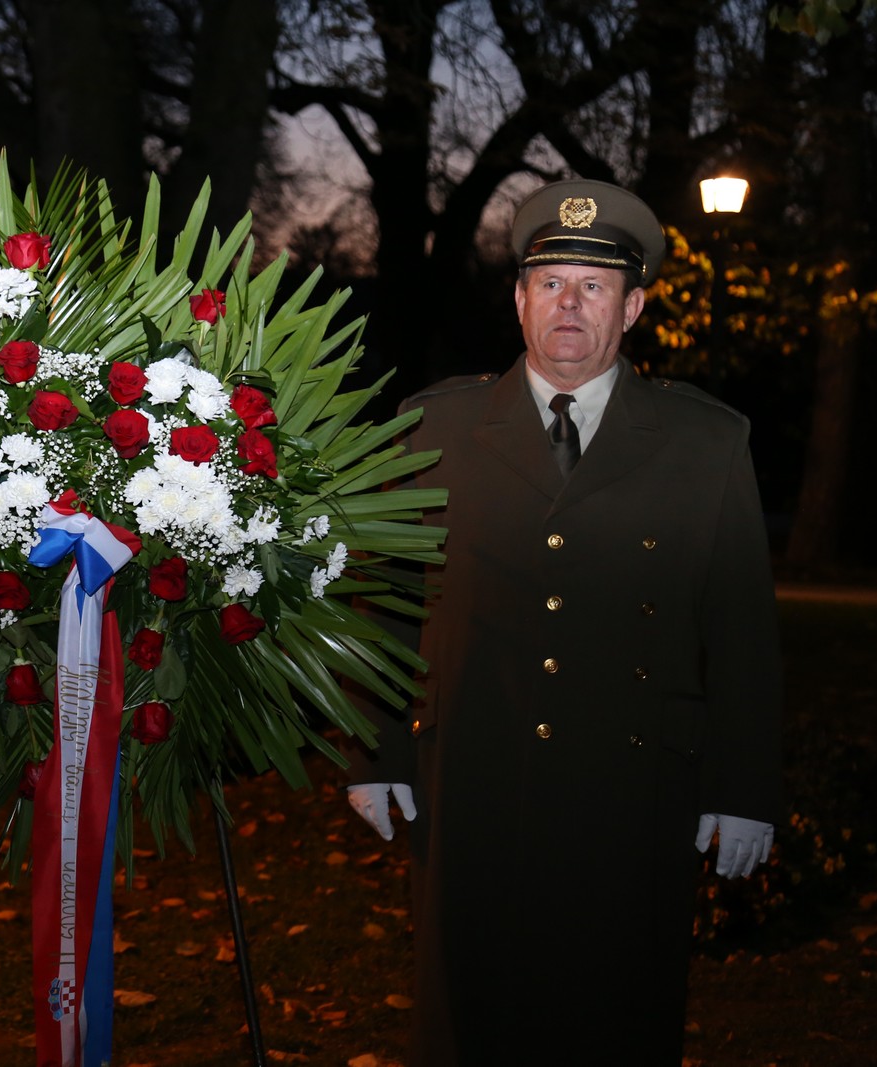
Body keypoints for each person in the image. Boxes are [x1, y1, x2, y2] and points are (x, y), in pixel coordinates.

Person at [344, 179, 782, 1066]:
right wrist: (376, 753)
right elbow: (385, 601)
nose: (569, 304)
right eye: (550, 283)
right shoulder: (434, 426)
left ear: (634, 307)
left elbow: (741, 630)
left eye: (593, 286)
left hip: (632, 791)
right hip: (471, 775)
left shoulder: (707, 442)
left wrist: (743, 788)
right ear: (520, 300)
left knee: (613, 1012)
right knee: (466, 1013)